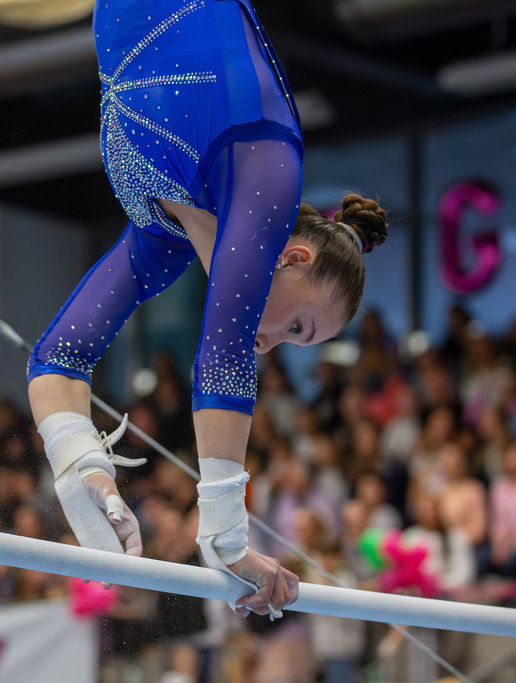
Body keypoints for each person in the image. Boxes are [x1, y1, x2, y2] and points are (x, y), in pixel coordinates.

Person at [26, 0, 387, 619]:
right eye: (298, 325)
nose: (273, 344)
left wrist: (80, 465)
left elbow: (57, 356)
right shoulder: (269, 170)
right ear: (293, 257)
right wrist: (225, 538)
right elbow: (221, 355)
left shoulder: (159, 240)